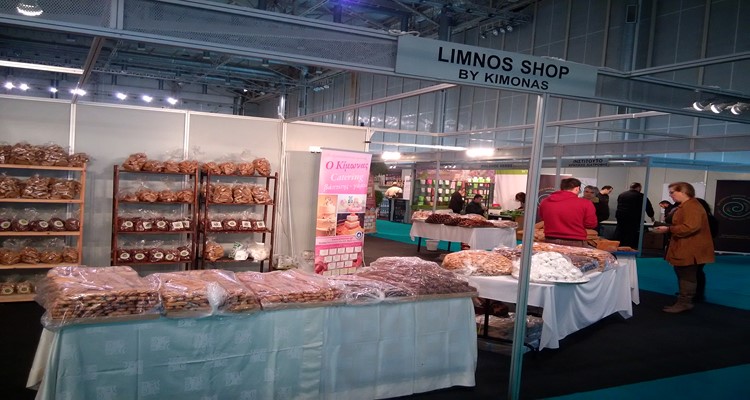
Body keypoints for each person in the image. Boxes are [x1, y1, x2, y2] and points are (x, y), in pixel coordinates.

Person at [652, 182, 714, 313]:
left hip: (690, 248)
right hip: (687, 246)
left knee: (687, 276)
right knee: (684, 275)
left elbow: (690, 227)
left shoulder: (691, 207)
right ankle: (683, 301)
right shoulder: (688, 205)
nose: (670, 195)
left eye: (672, 192)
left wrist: (668, 229)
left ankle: (684, 302)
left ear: (683, 192)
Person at [538, 178, 598, 248]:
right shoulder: (586, 203)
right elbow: (591, 224)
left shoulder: (545, 201)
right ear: (577, 188)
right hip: (575, 241)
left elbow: (543, 218)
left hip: (550, 240)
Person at [614, 182, 655, 248]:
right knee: (631, 234)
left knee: (620, 232)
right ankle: (628, 248)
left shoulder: (622, 194)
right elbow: (648, 208)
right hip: (633, 218)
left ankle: (617, 247)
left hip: (620, 217)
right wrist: (652, 217)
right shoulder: (641, 196)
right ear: (638, 188)